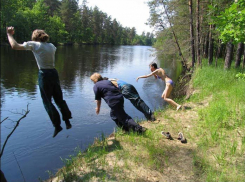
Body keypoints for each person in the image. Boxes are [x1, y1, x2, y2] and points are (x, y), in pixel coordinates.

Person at [6, 27, 72, 137]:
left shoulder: (34, 44)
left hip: (44, 74)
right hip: (54, 73)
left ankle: (57, 125)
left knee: (47, 101)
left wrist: (9, 35)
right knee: (59, 99)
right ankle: (67, 121)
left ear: (34, 37)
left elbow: (14, 46)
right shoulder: (52, 46)